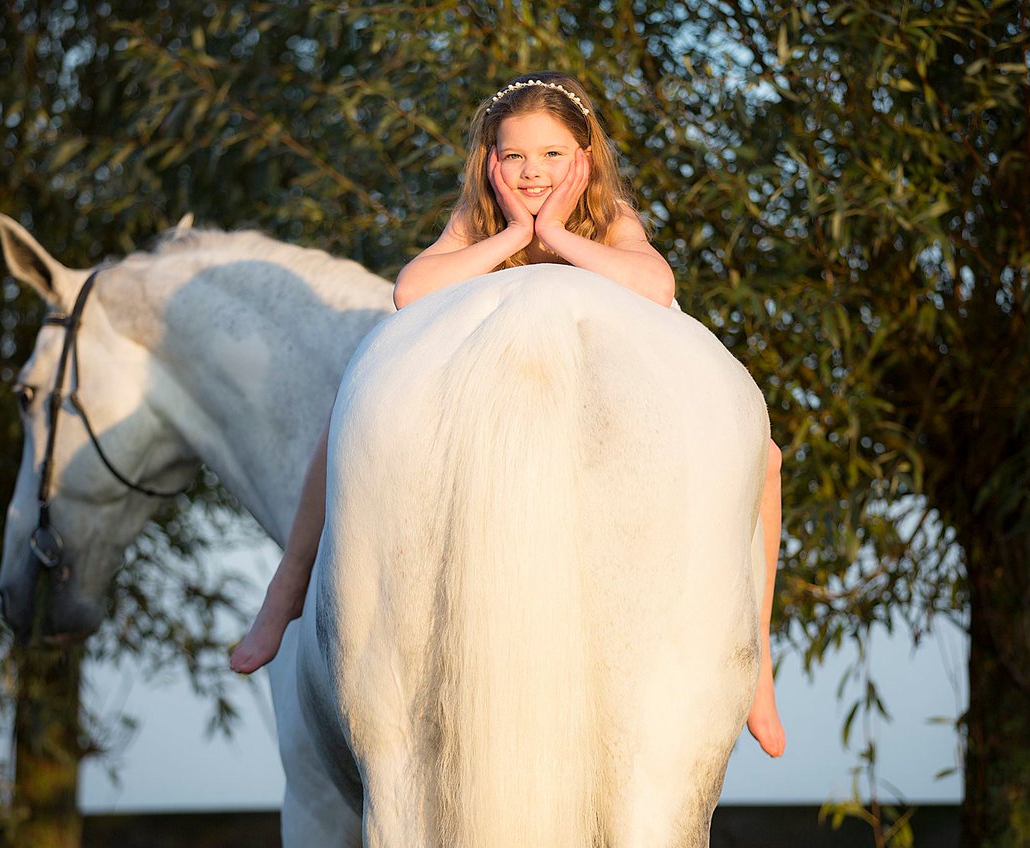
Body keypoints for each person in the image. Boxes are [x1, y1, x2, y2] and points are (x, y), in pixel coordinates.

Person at [229, 72, 787, 758]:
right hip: (492, 375)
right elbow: (412, 289)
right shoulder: (477, 219)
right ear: (491, 161)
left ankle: (757, 659)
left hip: (606, 371)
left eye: (553, 155)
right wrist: (513, 235)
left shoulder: (609, 215)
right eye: (515, 155)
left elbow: (656, 283)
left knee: (766, 459)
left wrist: (555, 232)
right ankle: (285, 592)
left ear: (584, 158)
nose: (533, 171)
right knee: (339, 422)